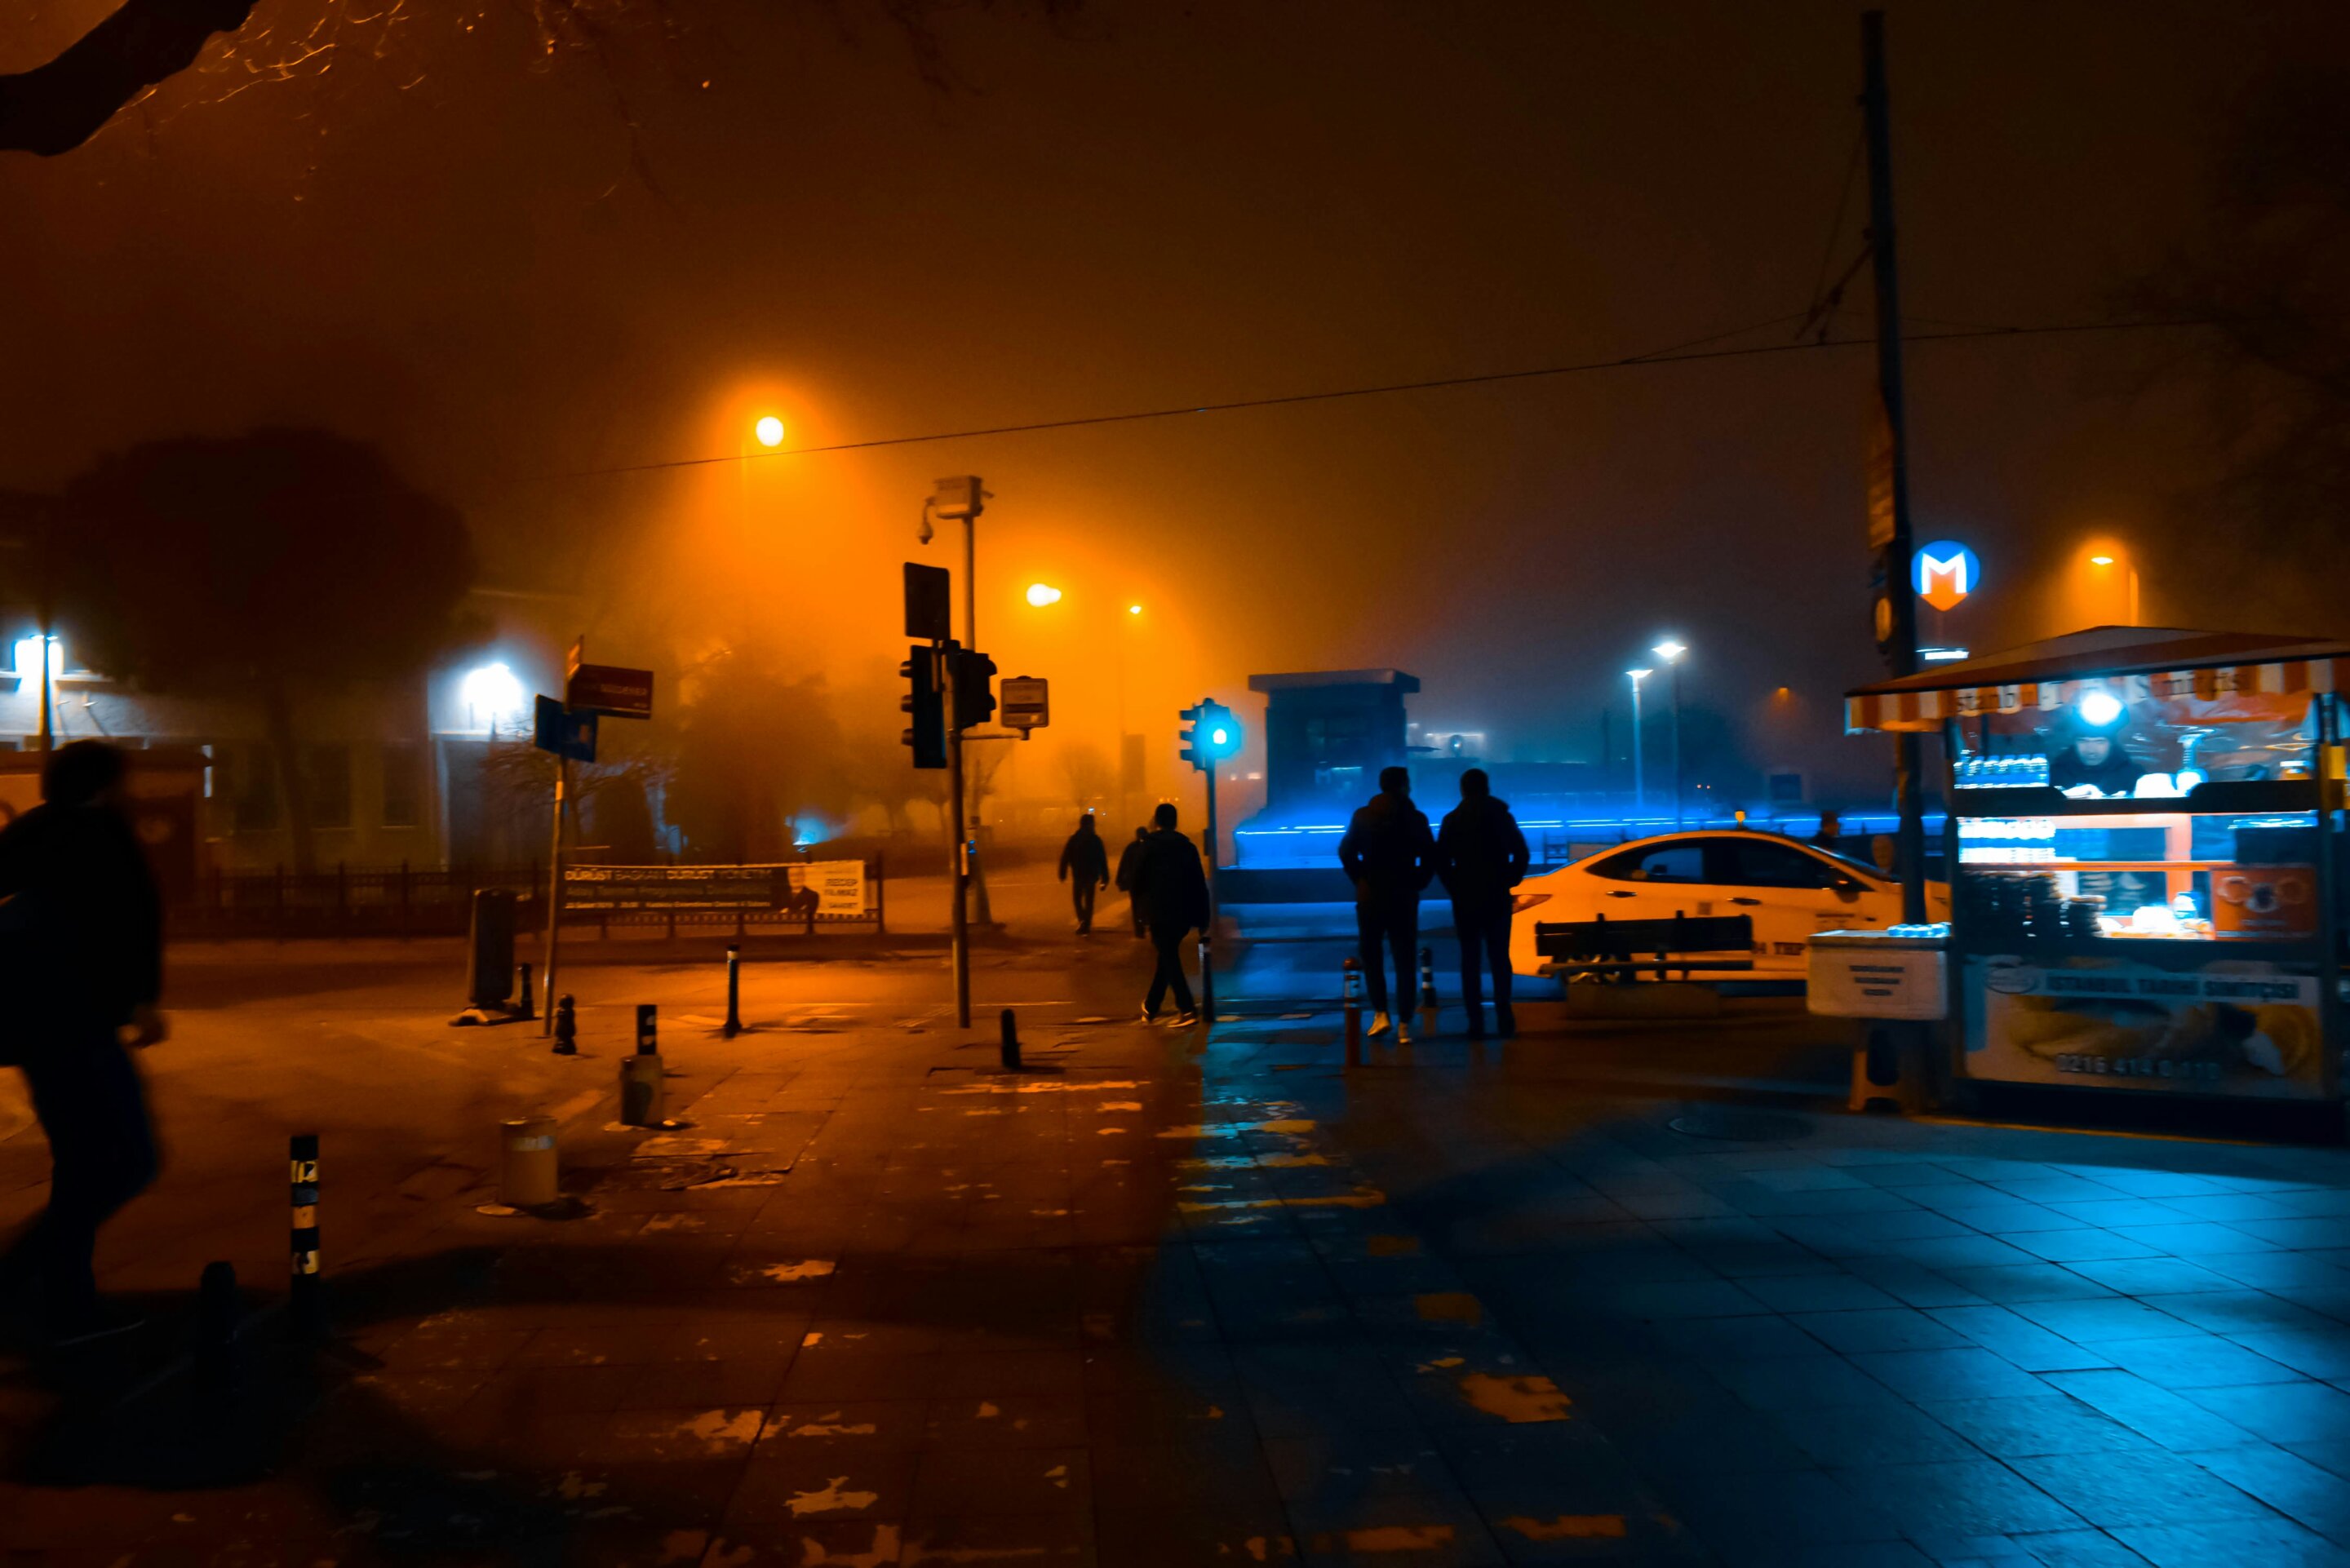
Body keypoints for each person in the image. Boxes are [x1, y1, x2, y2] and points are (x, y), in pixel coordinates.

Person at [0, 741, 166, 1347]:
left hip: (45, 1028)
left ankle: (58, 1294)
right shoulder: (101, 835)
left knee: (84, 1162)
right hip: (77, 1026)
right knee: (127, 1159)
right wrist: (142, 1000)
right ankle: (40, 1290)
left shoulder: (39, 832)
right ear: (104, 784)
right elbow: (134, 921)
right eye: (125, 779)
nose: (134, 789)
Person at [1338, 766, 1434, 1043]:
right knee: (1405, 959)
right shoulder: (1415, 818)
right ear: (1404, 786)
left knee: (1372, 957)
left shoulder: (1363, 816)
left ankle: (1380, 1014)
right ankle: (1405, 1023)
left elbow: (1346, 851)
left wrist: (1360, 878)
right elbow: (1430, 856)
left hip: (1370, 896)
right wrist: (1417, 881)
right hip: (1403, 895)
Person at [1436, 768, 1528, 1040]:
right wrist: (1509, 880)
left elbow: (1441, 861)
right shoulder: (1502, 816)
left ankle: (1475, 1022)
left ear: (1463, 790)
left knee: (1470, 960)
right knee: (1500, 958)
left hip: (1466, 897)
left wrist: (1455, 887)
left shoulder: (1452, 820)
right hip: (1497, 894)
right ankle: (1504, 1018)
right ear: (1487, 787)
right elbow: (1521, 853)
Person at [1128, 803, 1209, 1025]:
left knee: (1168, 957)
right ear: (1175, 821)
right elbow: (1198, 884)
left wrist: (1140, 912)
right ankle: (1151, 1007)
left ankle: (1187, 1009)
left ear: (1156, 821)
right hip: (1183, 912)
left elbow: (1136, 882)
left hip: (1158, 911)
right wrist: (1204, 918)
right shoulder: (1187, 847)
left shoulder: (1148, 847)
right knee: (1168, 956)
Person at [1057, 813, 1111, 935]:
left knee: (1077, 899)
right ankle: (1086, 923)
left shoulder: (1074, 839)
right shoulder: (1095, 840)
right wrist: (1105, 878)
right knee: (1089, 901)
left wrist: (1063, 872)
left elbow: (1066, 856)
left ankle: (1083, 921)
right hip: (1091, 874)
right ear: (1091, 824)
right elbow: (1102, 859)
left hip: (1079, 874)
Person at [2050, 730, 2142, 795]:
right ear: (2074, 743)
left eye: (2100, 742)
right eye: (2083, 741)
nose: (2091, 750)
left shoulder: (2132, 774)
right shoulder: (2055, 773)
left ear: (2111, 744)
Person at [1114, 826, 1149, 938]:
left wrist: (1119, 878)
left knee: (1135, 906)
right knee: (1147, 904)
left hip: (1134, 882)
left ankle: (1139, 929)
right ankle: (1145, 923)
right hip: (1147, 883)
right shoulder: (1151, 847)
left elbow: (1123, 864)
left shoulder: (1131, 848)